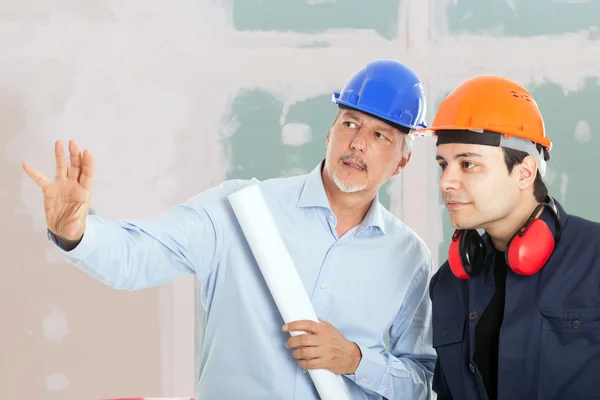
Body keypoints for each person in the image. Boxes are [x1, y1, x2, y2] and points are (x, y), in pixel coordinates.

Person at [23, 59, 436, 400]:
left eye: (380, 134)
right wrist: (74, 232)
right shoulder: (242, 209)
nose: (358, 143)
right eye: (349, 123)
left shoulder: (408, 256)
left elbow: (422, 382)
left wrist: (354, 360)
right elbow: (137, 256)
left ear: (402, 161)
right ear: (330, 131)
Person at [415, 75, 600, 400]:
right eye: (443, 164)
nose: (446, 182)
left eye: (468, 164)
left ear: (525, 172)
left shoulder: (594, 259)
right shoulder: (448, 283)